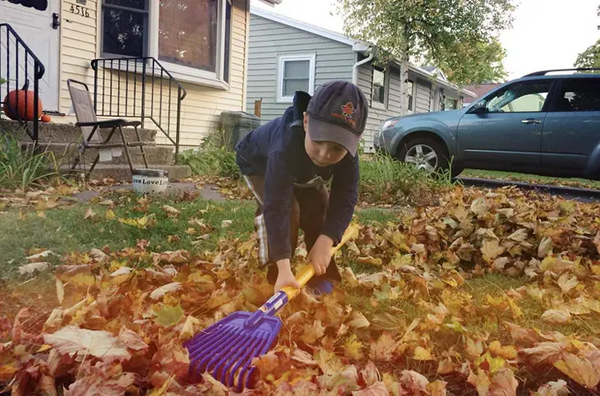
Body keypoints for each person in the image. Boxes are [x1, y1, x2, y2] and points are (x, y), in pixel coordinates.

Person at [235, 81, 368, 294]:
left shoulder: (348, 155)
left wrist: (327, 240)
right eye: (318, 141)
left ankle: (321, 274)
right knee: (289, 209)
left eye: (336, 148)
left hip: (300, 169)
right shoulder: (284, 147)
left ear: (355, 141)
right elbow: (276, 205)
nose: (325, 154)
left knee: (320, 206)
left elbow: (345, 196)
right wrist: (284, 265)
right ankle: (277, 275)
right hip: (258, 162)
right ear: (306, 121)